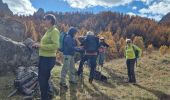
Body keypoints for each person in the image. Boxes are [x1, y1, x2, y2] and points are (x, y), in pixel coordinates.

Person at [32, 14, 60, 100]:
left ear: (51, 20)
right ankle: (48, 96)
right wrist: (37, 45)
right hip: (44, 58)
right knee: (45, 78)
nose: (44, 21)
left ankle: (44, 97)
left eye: (46, 20)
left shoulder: (54, 31)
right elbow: (45, 43)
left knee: (42, 79)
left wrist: (40, 46)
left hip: (48, 59)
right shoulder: (48, 31)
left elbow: (56, 45)